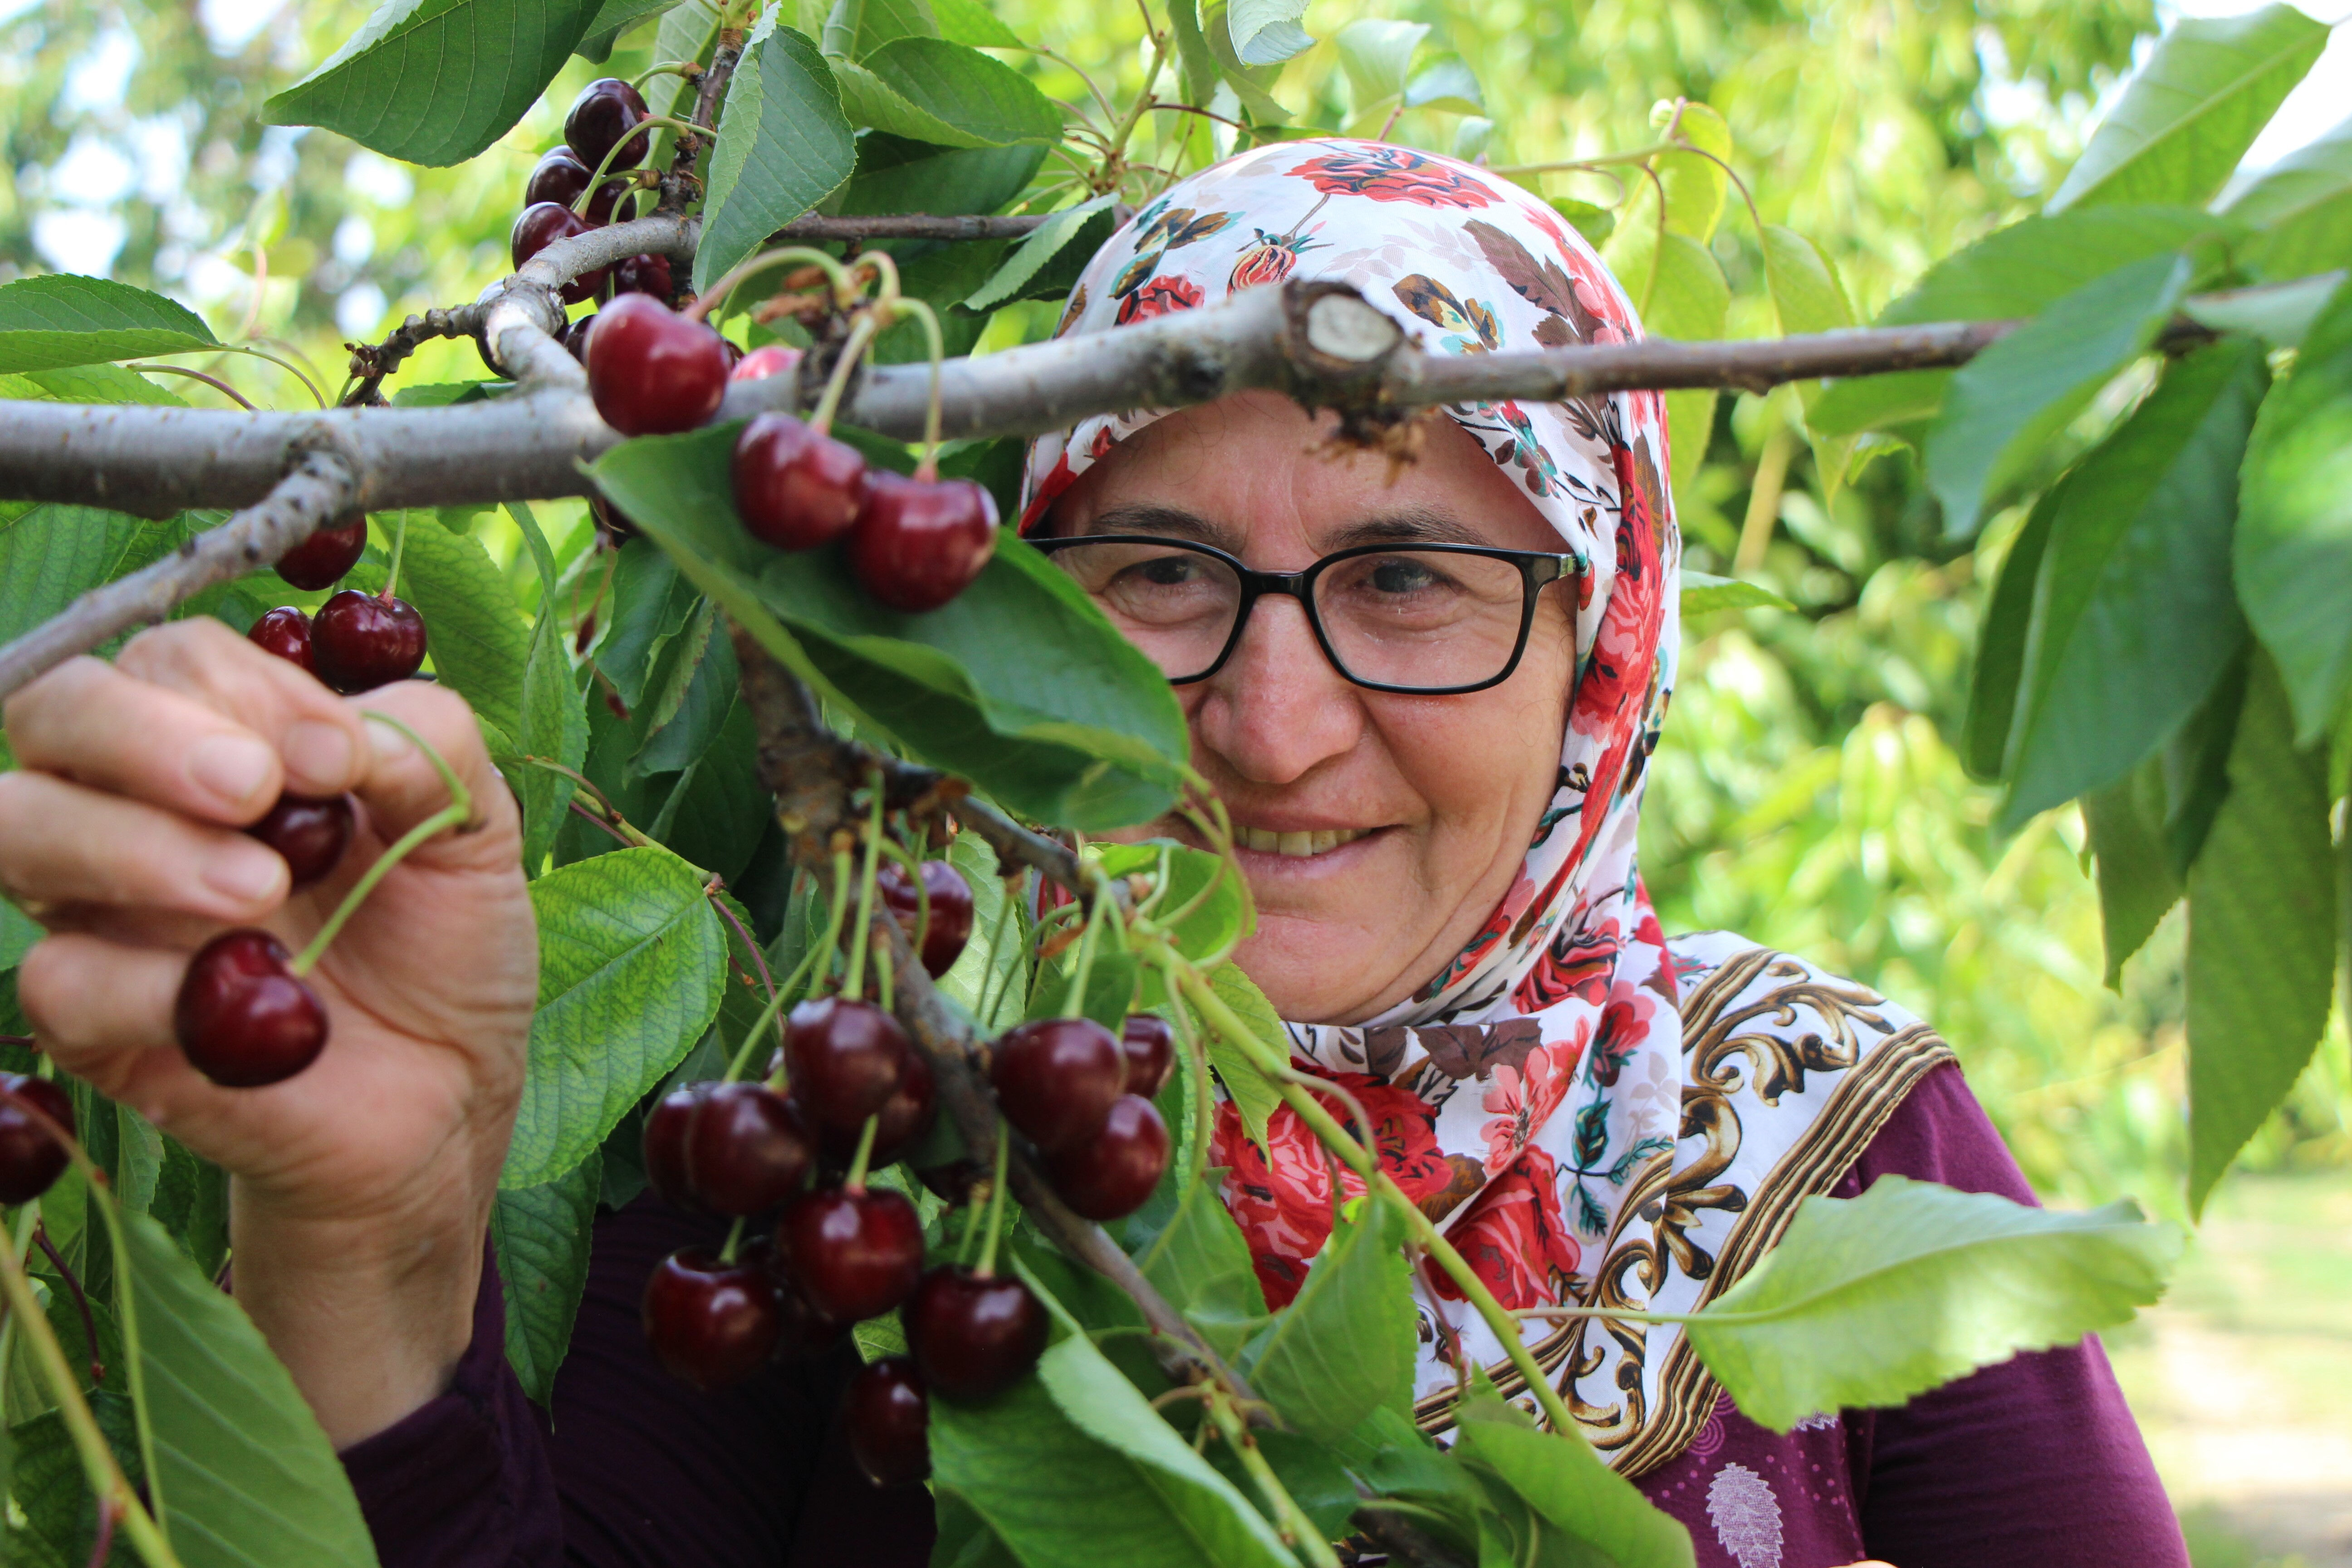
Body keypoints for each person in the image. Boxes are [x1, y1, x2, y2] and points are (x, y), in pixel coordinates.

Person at [0, 139, 2186, 1568]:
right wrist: (369, 1239)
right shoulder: (852, 1152)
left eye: (1413, 577)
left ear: (1599, 658)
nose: (1265, 717)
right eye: (1153, 568)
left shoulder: (1819, 1135)